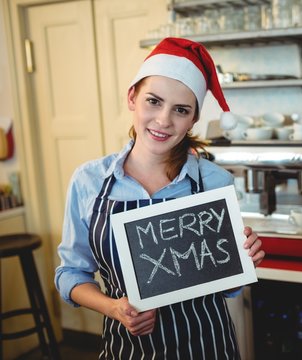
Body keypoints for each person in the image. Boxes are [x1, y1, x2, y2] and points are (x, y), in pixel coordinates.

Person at [55, 37, 264, 359]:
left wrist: (242, 259)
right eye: (154, 101)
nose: (164, 120)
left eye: (181, 110)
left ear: (193, 119)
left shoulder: (214, 181)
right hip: (127, 348)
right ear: (132, 98)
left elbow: (228, 287)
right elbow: (71, 273)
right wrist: (114, 308)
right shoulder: (89, 181)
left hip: (208, 347)